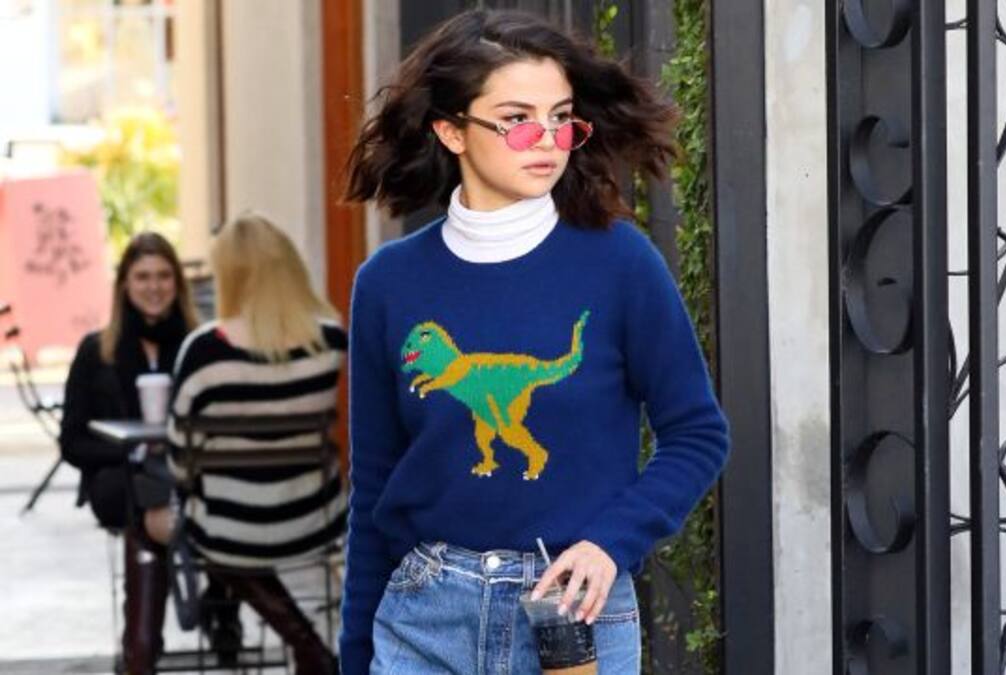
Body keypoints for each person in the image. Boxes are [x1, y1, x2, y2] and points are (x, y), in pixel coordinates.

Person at [339, 9, 730, 674]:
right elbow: (373, 487)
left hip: (571, 611)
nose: (546, 140)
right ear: (451, 130)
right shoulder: (387, 283)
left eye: (561, 118)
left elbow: (698, 434)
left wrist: (610, 543)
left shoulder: (621, 263)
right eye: (517, 119)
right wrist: (354, 657)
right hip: (424, 615)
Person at [163, 213, 344, 675]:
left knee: (206, 532)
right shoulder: (332, 345)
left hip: (229, 529)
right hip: (316, 523)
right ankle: (309, 650)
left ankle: (306, 647)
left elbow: (180, 457)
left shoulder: (203, 351)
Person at [58, 232, 221, 674]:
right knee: (143, 498)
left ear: (177, 284)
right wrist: (132, 452)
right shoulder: (97, 350)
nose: (154, 286)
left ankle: (140, 651)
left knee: (184, 502)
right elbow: (71, 442)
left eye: (164, 276)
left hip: (188, 477)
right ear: (124, 284)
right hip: (120, 478)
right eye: (143, 276)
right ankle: (210, 611)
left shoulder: (200, 346)